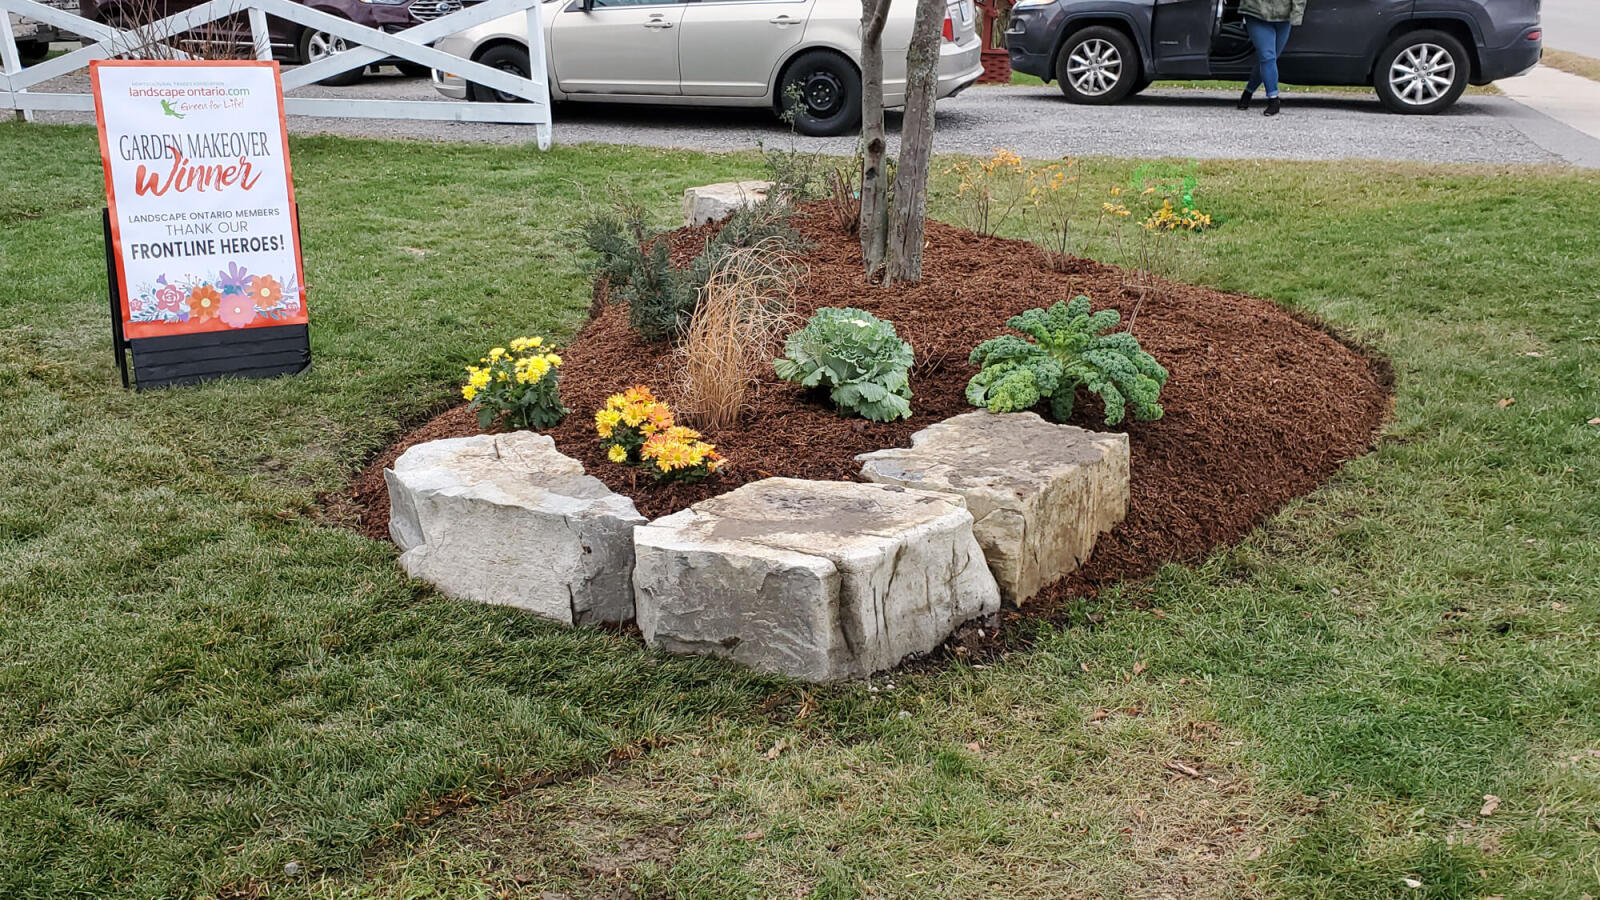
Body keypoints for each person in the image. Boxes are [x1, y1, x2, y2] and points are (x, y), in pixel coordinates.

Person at [1236, 0, 1306, 116]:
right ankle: (1273, 99)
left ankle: (1248, 93)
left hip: (1283, 16)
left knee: (1270, 59)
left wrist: (1297, 13)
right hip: (1255, 12)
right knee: (1267, 56)